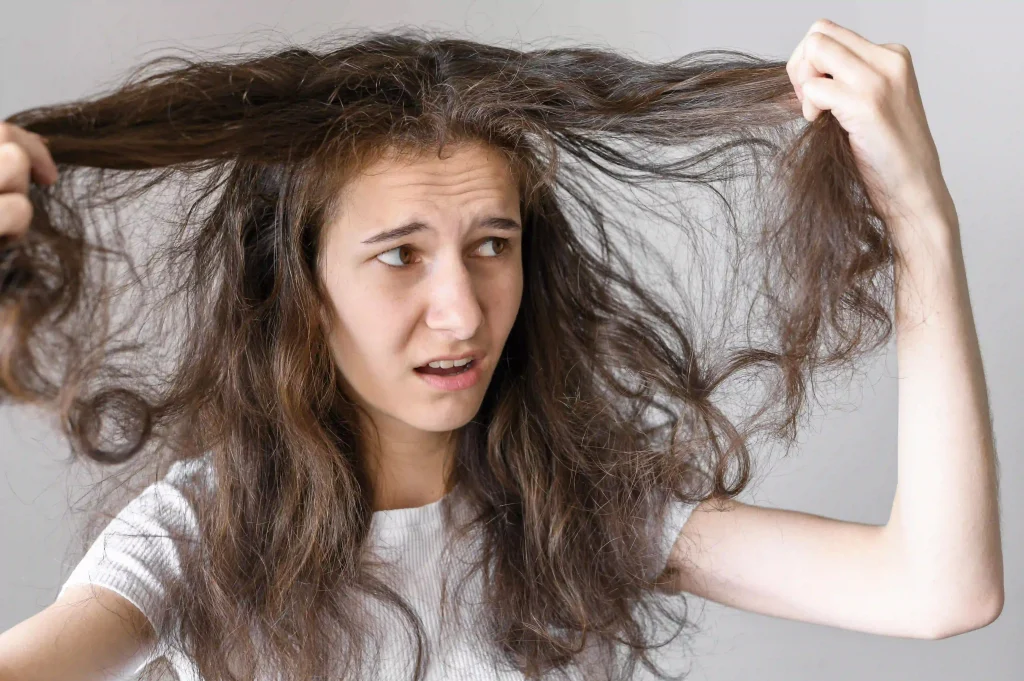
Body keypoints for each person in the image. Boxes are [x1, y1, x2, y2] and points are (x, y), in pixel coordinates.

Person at [0, 18, 1002, 681]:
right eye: (399, 256)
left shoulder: (580, 511)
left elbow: (935, 589)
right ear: (299, 293)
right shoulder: (192, 540)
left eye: (492, 246)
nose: (464, 313)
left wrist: (920, 222)